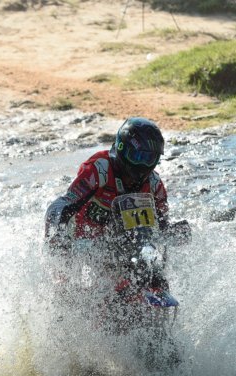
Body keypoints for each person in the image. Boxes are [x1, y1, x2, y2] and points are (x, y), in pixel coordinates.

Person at [44, 117, 190, 293]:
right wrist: (58, 234)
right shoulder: (99, 170)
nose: (143, 165)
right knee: (64, 289)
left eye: (149, 158)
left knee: (150, 271)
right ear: (121, 149)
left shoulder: (154, 184)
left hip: (118, 244)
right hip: (79, 242)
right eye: (137, 156)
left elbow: (162, 226)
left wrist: (174, 232)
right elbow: (60, 205)